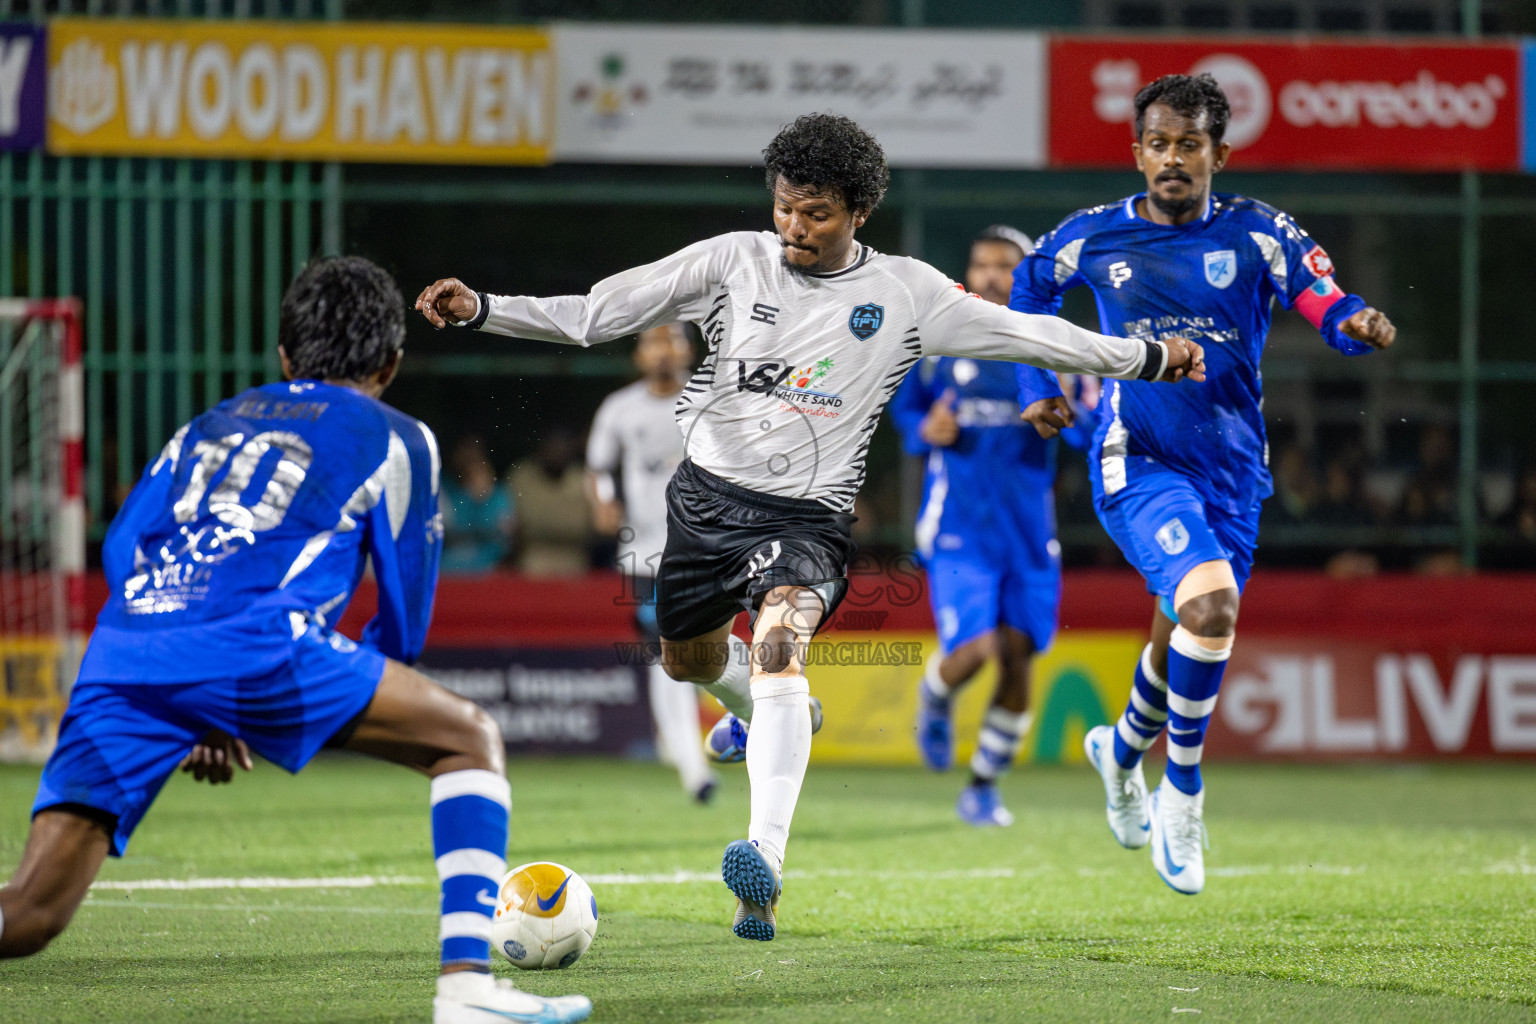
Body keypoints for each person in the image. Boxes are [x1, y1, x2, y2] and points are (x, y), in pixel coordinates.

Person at [416, 112, 1206, 942]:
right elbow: (598, 313)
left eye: (817, 213)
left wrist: (1148, 356)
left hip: (810, 520)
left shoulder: (906, 293)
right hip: (705, 503)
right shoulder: (732, 259)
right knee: (687, 660)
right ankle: (764, 713)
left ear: (859, 211)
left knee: (779, 646)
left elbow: (1028, 334)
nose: (794, 227)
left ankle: (765, 864)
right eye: (785, 207)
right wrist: (484, 310)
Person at [0, 257, 592, 1024]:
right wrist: (249, 693)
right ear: (390, 361)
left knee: (31, 913)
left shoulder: (205, 427)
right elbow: (403, 620)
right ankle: (466, 993)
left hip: (124, 650)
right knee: (467, 738)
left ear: (285, 357)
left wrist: (192, 697)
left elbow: (123, 547)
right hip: (253, 644)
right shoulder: (397, 436)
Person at [1013, 74, 1396, 896]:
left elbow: (1322, 295)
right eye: (1159, 143)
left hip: (1232, 468)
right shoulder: (1094, 236)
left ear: (1220, 153)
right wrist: (1035, 390)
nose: (1173, 158)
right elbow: (1029, 289)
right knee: (1212, 608)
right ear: (1138, 152)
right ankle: (1181, 789)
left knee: (1183, 632)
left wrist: (1354, 325)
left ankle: (1119, 753)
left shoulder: (1259, 233)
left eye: (1190, 144)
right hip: (1138, 457)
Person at [890, 225, 1085, 828]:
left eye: (1007, 266)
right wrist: (925, 431)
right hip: (959, 530)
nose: (993, 276)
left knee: (1019, 656)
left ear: (1026, 275)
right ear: (968, 275)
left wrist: (1068, 409)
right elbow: (906, 410)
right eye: (982, 265)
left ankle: (982, 786)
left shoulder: (1053, 348)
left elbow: (1083, 428)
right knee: (976, 650)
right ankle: (936, 695)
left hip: (1028, 534)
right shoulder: (942, 341)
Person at [585, 324, 717, 804]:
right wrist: (603, 502)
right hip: (645, 553)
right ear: (639, 355)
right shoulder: (620, 408)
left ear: (689, 349)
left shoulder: (711, 399)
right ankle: (693, 768)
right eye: (653, 341)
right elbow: (598, 468)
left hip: (706, 547)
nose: (663, 350)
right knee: (667, 654)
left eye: (673, 340)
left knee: (704, 654)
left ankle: (739, 720)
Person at [441, 435, 515, 571]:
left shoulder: (497, 494)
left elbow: (504, 537)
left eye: (474, 450)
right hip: (448, 562)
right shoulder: (443, 487)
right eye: (464, 450)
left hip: (488, 563)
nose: (469, 457)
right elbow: (444, 529)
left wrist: (483, 500)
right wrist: (470, 498)